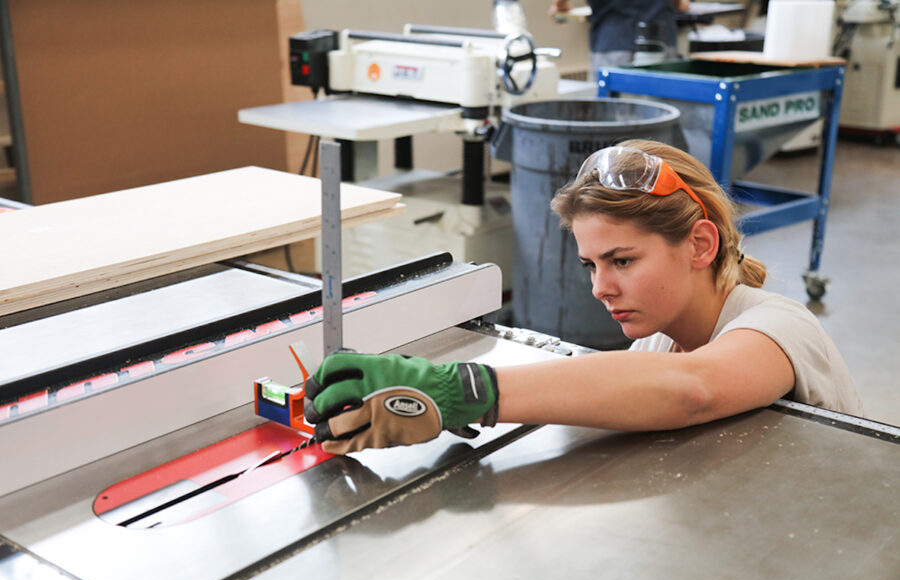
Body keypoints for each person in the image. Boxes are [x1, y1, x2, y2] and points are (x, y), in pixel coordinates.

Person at [304, 139, 863, 454]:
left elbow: (695, 390)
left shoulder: (780, 326)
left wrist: (463, 390)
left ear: (700, 243)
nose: (601, 288)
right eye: (591, 265)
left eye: (623, 260)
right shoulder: (658, 348)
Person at [548, 0, 687, 76]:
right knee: (660, 108)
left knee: (611, 111)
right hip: (660, 39)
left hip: (614, 39)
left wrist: (559, 5)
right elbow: (678, 4)